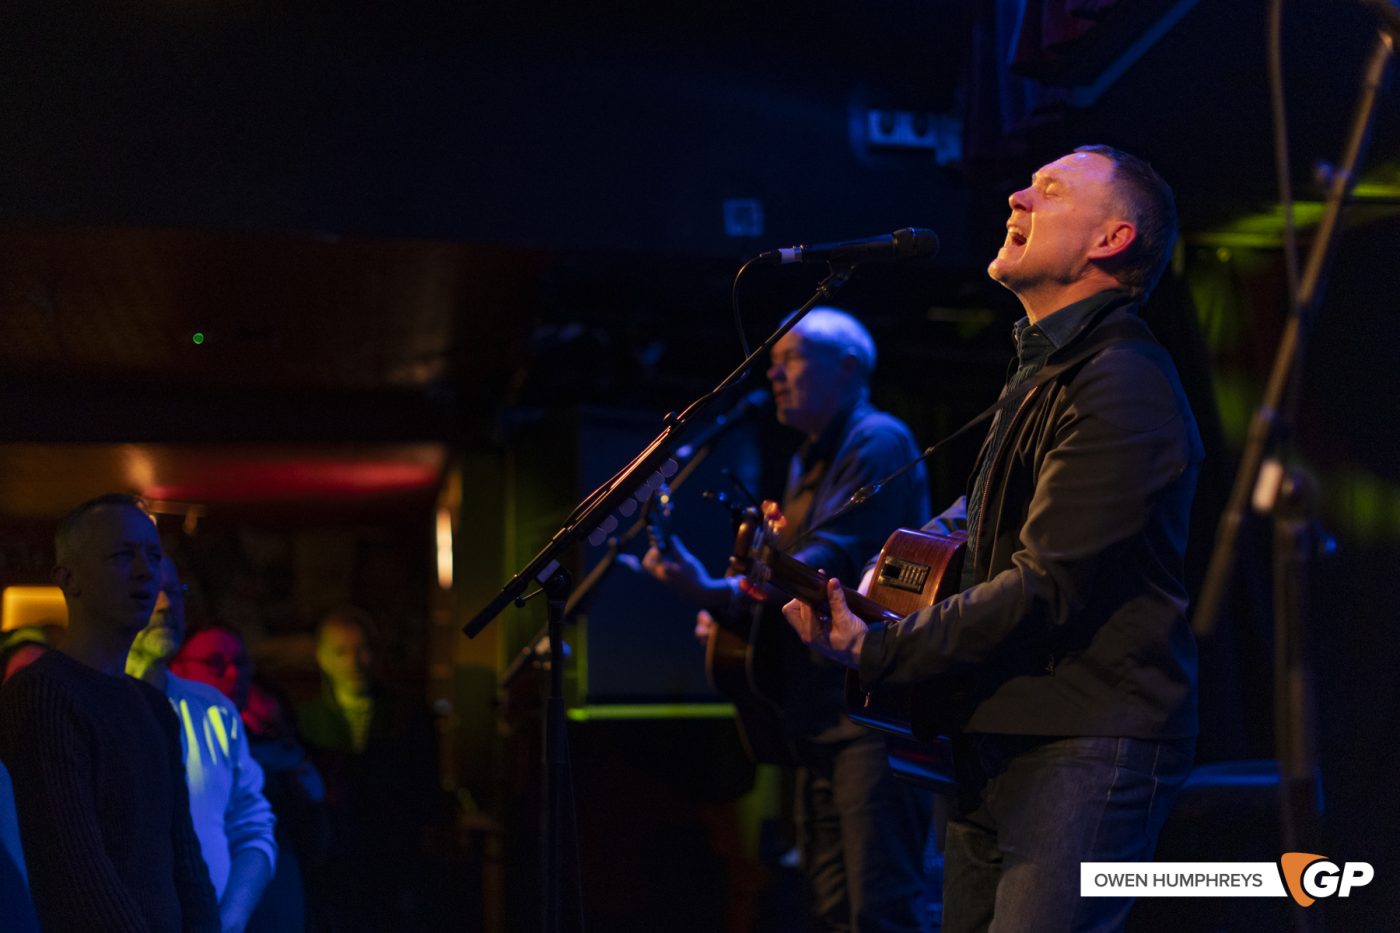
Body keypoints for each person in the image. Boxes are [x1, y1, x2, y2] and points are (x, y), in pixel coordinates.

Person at [784, 146, 1202, 932]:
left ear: (1109, 240)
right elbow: (977, 513)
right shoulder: (1046, 369)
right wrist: (880, 579)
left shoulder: (1122, 381)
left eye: (1048, 189)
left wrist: (878, 649)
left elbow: (1045, 583)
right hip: (1000, 733)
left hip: (1082, 738)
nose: (1016, 195)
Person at [641, 307, 935, 932]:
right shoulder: (807, 461)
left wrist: (721, 591)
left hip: (868, 716)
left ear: (849, 367)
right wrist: (731, 605)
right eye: (772, 365)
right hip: (819, 715)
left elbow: (826, 564)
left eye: (792, 360)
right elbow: (786, 581)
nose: (774, 375)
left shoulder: (879, 441)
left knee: (881, 908)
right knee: (830, 904)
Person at [0, 493, 220, 932]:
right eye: (122, 555)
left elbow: (185, 859)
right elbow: (75, 868)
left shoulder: (154, 706)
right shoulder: (43, 693)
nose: (145, 572)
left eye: (153, 556)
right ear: (69, 579)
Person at [127, 556, 278, 933]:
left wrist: (230, 917)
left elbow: (252, 828)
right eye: (151, 590)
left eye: (174, 591)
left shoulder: (215, 710)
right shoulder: (80, 705)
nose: (166, 604)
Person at [296, 608, 447, 931]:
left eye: (361, 649)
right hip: (334, 858)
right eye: (341, 651)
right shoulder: (305, 720)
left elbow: (426, 788)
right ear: (322, 657)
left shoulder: (408, 714)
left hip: (393, 855)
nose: (354, 661)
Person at [174, 625, 329, 933]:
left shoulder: (279, 744)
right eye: (215, 664)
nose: (232, 674)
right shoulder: (169, 739)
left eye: (241, 663)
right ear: (178, 668)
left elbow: (315, 844)